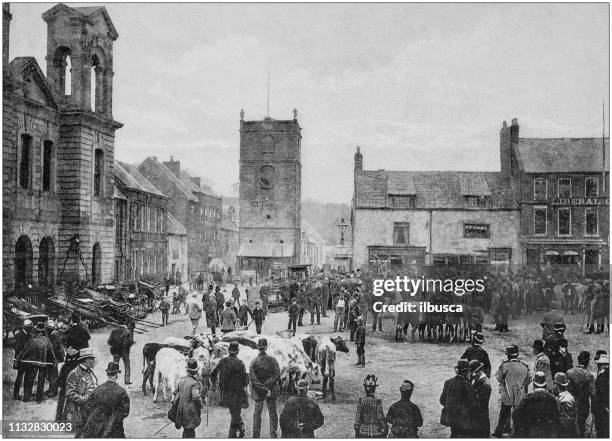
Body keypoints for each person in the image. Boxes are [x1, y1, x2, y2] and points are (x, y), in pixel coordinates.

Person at [81, 362, 130, 438]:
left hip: (98, 428)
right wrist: (114, 420)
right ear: (116, 375)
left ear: (108, 374)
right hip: (115, 429)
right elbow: (125, 411)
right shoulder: (121, 391)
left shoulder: (97, 390)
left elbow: (88, 407)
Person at [492, 345, 531, 438]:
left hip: (507, 394)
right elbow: (528, 380)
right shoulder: (524, 366)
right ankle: (518, 433)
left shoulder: (504, 366)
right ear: (517, 355)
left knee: (503, 414)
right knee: (518, 415)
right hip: (520, 394)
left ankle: (499, 432)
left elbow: (499, 378)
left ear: (508, 355)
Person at [512, 371, 561, 437]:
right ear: (545, 385)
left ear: (533, 385)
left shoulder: (527, 399)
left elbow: (515, 414)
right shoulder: (553, 399)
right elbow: (557, 419)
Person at [215, 341, 249, 438]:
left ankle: (233, 434)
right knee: (235, 413)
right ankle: (236, 431)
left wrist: (214, 384)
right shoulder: (240, 363)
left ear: (229, 351)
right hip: (237, 393)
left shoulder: (222, 361)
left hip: (226, 393)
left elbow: (213, 374)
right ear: (237, 351)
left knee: (234, 413)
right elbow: (245, 380)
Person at [63, 348, 99, 437]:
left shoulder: (90, 371)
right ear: (85, 360)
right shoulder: (74, 374)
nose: (94, 361)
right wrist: (85, 399)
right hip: (79, 410)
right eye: (91, 359)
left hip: (90, 408)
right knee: (80, 434)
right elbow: (70, 393)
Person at [250, 338, 280, 438]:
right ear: (266, 347)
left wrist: (262, 388)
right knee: (272, 413)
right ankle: (273, 434)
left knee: (257, 413)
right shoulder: (273, 360)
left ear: (258, 347)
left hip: (258, 392)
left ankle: (256, 435)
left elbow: (253, 379)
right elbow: (276, 374)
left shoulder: (253, 362)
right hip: (271, 390)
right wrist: (267, 386)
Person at [20, 321, 56, 403]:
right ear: (43, 331)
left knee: (29, 380)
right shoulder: (46, 340)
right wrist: (53, 360)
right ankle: (38, 398)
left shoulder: (32, 339)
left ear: (36, 330)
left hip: (32, 363)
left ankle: (26, 397)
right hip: (42, 364)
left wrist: (20, 357)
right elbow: (51, 352)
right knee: (41, 381)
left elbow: (25, 350)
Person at [440, 359, 477, 438]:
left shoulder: (448, 382)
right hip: (464, 420)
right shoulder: (467, 384)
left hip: (451, 418)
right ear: (467, 372)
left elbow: (442, 400)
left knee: (454, 435)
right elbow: (473, 404)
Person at [567, 350, 596, 436]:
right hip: (583, 406)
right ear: (587, 361)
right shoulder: (589, 376)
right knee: (581, 427)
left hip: (570, 404)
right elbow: (593, 394)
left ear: (578, 359)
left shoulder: (569, 372)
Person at [174, 358, 203, 438]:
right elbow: (196, 397)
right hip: (190, 414)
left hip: (181, 412)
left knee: (186, 431)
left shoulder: (181, 380)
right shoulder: (194, 383)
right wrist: (201, 405)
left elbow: (176, 394)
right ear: (196, 371)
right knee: (190, 433)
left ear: (187, 370)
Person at [469, 359, 491, 438]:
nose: (471, 374)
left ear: (479, 371)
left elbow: (482, 402)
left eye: (473, 372)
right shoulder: (478, 378)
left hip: (481, 409)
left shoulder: (485, 383)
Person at [13, 319, 33, 400]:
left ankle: (26, 396)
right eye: (30, 327)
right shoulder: (18, 335)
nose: (31, 328)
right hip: (21, 360)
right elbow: (16, 347)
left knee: (27, 378)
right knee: (19, 377)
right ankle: (16, 395)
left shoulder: (30, 334)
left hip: (28, 360)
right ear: (26, 327)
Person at [553, 372, 578, 437]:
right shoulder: (570, 396)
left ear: (556, 385)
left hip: (564, 432)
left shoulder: (561, 399)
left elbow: (565, 420)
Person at [45, 320, 64, 398]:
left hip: (54, 357)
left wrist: (56, 358)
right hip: (51, 357)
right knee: (50, 374)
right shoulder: (51, 335)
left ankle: (53, 391)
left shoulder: (55, 336)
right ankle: (51, 389)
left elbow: (56, 348)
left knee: (53, 374)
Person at [593, 354, 609, 438]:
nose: (598, 366)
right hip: (606, 407)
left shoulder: (602, 378)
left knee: (602, 430)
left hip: (602, 408)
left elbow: (601, 394)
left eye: (600, 364)